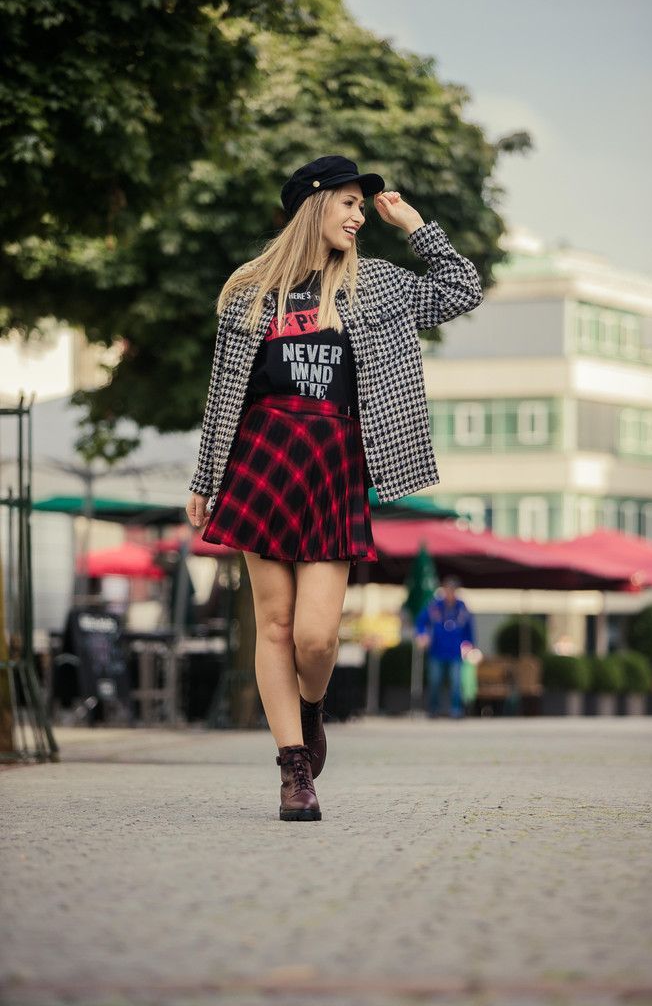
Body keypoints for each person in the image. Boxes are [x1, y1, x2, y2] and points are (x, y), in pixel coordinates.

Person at [185, 154, 484, 821]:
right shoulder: (251, 291)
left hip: (333, 462)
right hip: (262, 459)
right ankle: (293, 768)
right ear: (313, 205)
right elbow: (224, 391)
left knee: (316, 638)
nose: (358, 216)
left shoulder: (377, 284)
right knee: (274, 625)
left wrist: (414, 225)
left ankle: (311, 710)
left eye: (359, 205)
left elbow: (461, 289)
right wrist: (205, 478)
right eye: (347, 203)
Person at [414, 575, 476, 719]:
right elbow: (421, 622)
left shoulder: (462, 608)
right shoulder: (434, 606)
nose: (450, 593)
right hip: (437, 650)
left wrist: (469, 645)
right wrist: (422, 635)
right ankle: (433, 709)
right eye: (448, 589)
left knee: (456, 682)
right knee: (435, 681)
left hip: (455, 652)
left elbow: (469, 629)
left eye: (453, 590)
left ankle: (456, 709)